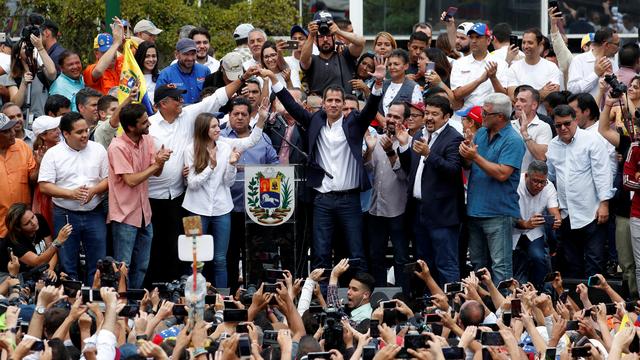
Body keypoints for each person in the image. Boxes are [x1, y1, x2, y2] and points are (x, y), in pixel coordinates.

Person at [260, 57, 385, 278]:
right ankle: (321, 297)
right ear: (324, 103)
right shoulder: (315, 121)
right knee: (320, 253)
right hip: (323, 199)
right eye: (330, 100)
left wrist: (377, 86)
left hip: (349, 200)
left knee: (356, 252)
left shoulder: (354, 123)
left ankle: (361, 297)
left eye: (338, 100)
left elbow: (370, 110)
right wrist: (274, 79)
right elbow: (291, 106)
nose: (335, 104)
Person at [145, 71, 263, 287]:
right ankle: (160, 293)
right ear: (163, 103)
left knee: (200, 254)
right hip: (157, 198)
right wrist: (210, 166)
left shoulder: (209, 133)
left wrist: (242, 79)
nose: (182, 101)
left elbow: (216, 98)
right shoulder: (149, 126)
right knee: (164, 250)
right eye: (176, 98)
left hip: (181, 200)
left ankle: (215, 298)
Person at [459, 93, 525, 286]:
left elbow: (503, 173)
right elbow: (469, 165)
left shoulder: (513, 140)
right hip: (475, 210)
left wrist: (476, 157)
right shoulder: (481, 133)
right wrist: (465, 154)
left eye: (485, 112)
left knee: (501, 267)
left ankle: (503, 312)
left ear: (500, 117)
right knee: (479, 265)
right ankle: (483, 310)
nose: (481, 115)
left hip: (498, 213)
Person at [400, 96, 464, 286]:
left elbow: (453, 170)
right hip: (419, 211)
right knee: (424, 263)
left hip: (442, 213)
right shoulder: (420, 134)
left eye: (434, 114)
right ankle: (430, 302)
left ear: (446, 117)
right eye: (427, 113)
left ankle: (451, 305)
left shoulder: (454, 138)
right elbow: (412, 169)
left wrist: (429, 154)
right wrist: (404, 147)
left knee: (446, 263)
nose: (429, 117)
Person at [38, 112, 109, 283]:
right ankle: (71, 301)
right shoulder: (53, 154)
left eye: (86, 130)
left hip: (94, 212)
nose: (85, 135)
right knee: (68, 261)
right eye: (79, 132)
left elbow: (108, 180)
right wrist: (71, 193)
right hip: (65, 213)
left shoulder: (98, 149)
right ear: (66, 134)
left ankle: (96, 299)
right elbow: (44, 186)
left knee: (98, 260)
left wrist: (93, 191)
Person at [107, 102, 172, 288]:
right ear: (130, 127)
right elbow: (131, 180)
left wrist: (162, 161)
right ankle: (121, 303)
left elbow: (156, 172)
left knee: (142, 266)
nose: (149, 125)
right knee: (123, 266)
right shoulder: (117, 147)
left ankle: (135, 301)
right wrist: (155, 164)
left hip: (145, 213)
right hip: (125, 215)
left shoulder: (147, 140)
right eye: (144, 123)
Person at [546, 105, 613, 278]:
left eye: (567, 123)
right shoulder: (553, 145)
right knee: (571, 263)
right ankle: (575, 305)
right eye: (558, 125)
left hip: (591, 211)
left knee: (594, 262)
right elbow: (551, 177)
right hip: (566, 213)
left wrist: (604, 204)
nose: (562, 128)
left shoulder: (592, 140)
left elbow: (602, 173)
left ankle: (596, 303)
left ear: (576, 120)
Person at [183, 112, 244, 288]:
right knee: (195, 260)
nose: (219, 129)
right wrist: (211, 166)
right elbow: (192, 184)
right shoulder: (190, 149)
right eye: (214, 127)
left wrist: (232, 164)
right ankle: (194, 300)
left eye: (218, 125)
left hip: (222, 209)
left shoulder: (225, 148)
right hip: (194, 209)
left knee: (220, 259)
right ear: (204, 129)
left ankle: (222, 302)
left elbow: (228, 182)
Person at [223, 97, 277, 289]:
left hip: (257, 210)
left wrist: (254, 171)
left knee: (255, 254)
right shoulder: (220, 138)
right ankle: (229, 293)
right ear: (228, 116)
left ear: (249, 116)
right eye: (235, 114)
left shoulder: (262, 138)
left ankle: (254, 291)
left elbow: (275, 167)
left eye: (243, 114)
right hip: (227, 208)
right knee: (228, 254)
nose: (239, 118)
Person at [363, 102, 409, 292]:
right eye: (389, 115)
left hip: (398, 210)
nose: (391, 120)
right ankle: (379, 296)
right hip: (376, 209)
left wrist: (391, 151)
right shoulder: (377, 139)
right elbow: (368, 168)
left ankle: (403, 296)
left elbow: (403, 176)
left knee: (401, 258)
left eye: (397, 117)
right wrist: (370, 150)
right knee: (376, 256)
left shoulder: (408, 143)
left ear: (405, 121)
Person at [450, 23, 508, 135]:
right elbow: (457, 94)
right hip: (463, 120)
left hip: (490, 121)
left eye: (478, 37)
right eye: (471, 37)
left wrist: (493, 78)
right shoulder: (459, 63)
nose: (474, 41)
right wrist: (479, 80)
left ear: (488, 40)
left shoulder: (501, 64)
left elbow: (503, 97)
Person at [512, 161, 561, 288]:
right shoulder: (515, 183)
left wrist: (556, 220)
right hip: (512, 229)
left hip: (534, 231)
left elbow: (554, 211)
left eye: (542, 182)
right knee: (515, 266)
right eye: (535, 181)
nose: (539, 185)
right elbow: (506, 215)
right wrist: (524, 224)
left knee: (539, 258)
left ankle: (542, 292)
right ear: (526, 176)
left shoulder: (548, 186)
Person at [300, 11, 365, 95]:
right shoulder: (312, 60)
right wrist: (311, 35)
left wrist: (339, 31)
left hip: (345, 105)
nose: (325, 39)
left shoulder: (344, 54)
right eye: (321, 36)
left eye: (329, 35)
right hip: (320, 105)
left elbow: (361, 42)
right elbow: (303, 60)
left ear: (334, 37)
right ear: (315, 40)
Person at [4, 203, 72, 275]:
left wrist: (50, 270)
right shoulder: (13, 240)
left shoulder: (39, 220)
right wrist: (58, 241)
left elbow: (51, 250)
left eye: (33, 217)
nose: (34, 223)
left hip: (41, 270)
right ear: (18, 228)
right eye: (27, 223)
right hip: (17, 275)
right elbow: (37, 262)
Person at [0, 113, 38, 237]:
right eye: (6, 131)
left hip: (24, 225)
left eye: (12, 128)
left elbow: (33, 179)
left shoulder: (22, 146)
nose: (13, 133)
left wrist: (40, 164)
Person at [5, 34, 57, 118]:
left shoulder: (41, 71)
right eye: (25, 48)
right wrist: (23, 83)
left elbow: (52, 73)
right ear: (18, 55)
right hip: (26, 123)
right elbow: (15, 105)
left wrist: (40, 48)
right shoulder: (14, 77)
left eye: (32, 47)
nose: (30, 50)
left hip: (45, 122)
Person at [505, 28, 562, 102]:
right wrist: (541, 92)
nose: (525, 46)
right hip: (520, 113)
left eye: (530, 43)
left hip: (544, 113)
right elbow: (513, 97)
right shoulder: (514, 68)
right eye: (523, 42)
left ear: (540, 45)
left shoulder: (551, 67)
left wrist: (523, 96)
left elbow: (553, 95)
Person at [568, 27, 620, 99]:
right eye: (617, 44)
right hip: (587, 109)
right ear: (607, 45)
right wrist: (595, 74)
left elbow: (617, 93)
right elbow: (573, 90)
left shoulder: (612, 63)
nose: (619, 48)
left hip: (609, 109)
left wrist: (611, 79)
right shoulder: (579, 60)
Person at [156, 38, 211, 105]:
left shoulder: (205, 71)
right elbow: (160, 102)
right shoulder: (165, 75)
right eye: (186, 54)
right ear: (176, 54)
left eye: (193, 54)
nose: (190, 58)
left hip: (202, 113)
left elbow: (211, 96)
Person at [510, 86, 553, 170]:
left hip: (529, 180)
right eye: (516, 100)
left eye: (522, 101)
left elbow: (542, 157)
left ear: (534, 105)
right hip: (509, 180)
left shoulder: (543, 126)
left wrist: (525, 134)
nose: (517, 104)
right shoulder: (509, 125)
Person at [31, 115, 61, 231]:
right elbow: (32, 179)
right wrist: (40, 165)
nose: (59, 131)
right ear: (43, 135)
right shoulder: (36, 152)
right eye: (54, 130)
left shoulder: (62, 147)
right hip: (44, 195)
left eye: (58, 128)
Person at [327, 259, 376, 323]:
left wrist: (334, 276)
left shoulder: (363, 317)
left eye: (354, 289)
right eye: (349, 288)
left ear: (365, 295)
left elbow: (336, 315)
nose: (348, 292)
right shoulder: (358, 312)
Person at [83, 19, 124, 95]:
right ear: (96, 53)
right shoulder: (90, 69)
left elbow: (143, 47)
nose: (111, 55)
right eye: (105, 52)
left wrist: (125, 39)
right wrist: (115, 44)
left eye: (111, 50)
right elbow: (98, 71)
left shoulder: (121, 61)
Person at [377, 49, 421, 119]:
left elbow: (417, 115)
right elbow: (372, 106)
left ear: (406, 66)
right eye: (389, 64)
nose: (392, 67)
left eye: (396, 64)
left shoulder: (414, 87)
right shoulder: (382, 84)